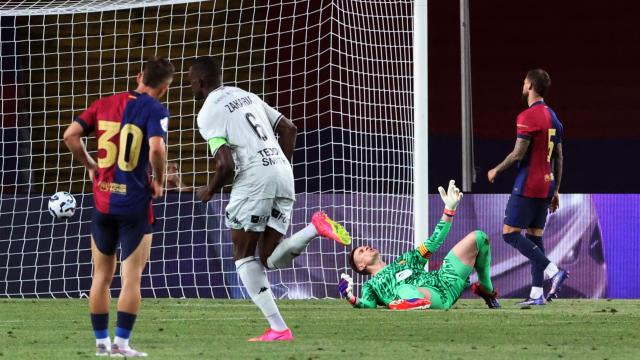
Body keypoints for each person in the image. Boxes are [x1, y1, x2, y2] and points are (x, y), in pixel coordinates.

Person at [189, 56, 351, 341]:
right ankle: (315, 227)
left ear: (200, 82)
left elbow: (225, 164)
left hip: (254, 179)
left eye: (190, 79)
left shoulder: (207, 113)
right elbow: (289, 128)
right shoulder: (246, 95)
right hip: (283, 173)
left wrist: (210, 189)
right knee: (268, 258)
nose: (189, 84)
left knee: (242, 255)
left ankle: (279, 328)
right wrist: (280, 167)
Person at [63, 57, 174, 356]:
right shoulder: (155, 109)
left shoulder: (103, 103)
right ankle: (121, 344)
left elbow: (70, 135)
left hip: (102, 202)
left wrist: (90, 165)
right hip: (134, 205)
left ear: (139, 76)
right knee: (132, 276)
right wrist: (159, 181)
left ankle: (100, 344)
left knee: (100, 275)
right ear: (164, 88)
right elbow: (156, 148)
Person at [339, 180, 501, 310]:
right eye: (361, 251)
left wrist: (449, 209)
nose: (366, 247)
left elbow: (434, 241)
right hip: (433, 297)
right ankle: (413, 302)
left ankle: (487, 291)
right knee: (403, 289)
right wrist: (351, 298)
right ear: (361, 266)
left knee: (479, 238)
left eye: (364, 247)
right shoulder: (371, 285)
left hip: (444, 279)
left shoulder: (407, 259)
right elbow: (368, 305)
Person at [487, 69, 568, 306]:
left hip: (528, 184)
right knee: (535, 237)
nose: (522, 86)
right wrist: (555, 190)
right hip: (546, 185)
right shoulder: (554, 117)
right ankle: (536, 294)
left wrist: (496, 170)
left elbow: (517, 154)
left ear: (531, 86)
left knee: (509, 234)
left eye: (524, 83)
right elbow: (559, 157)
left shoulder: (527, 116)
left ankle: (554, 271)